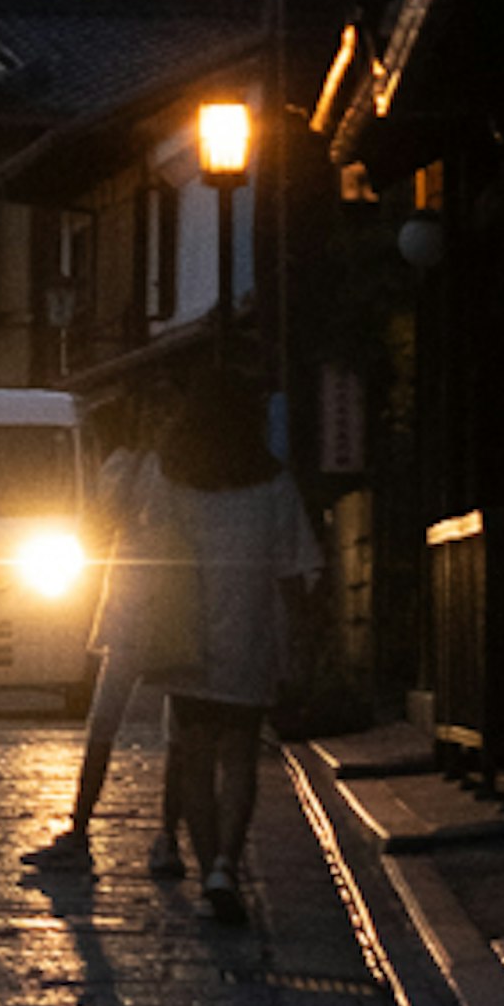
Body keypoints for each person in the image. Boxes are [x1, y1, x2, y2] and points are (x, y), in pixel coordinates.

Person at [147, 342, 321, 927]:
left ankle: (207, 870)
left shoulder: (173, 478)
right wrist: (301, 638)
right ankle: (227, 861)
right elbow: (296, 569)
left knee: (194, 759)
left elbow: (150, 549)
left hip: (187, 632)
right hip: (251, 630)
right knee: (240, 757)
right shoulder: (273, 483)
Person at [17, 383, 192, 884]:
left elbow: (97, 526)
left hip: (132, 609)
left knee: (103, 725)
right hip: (180, 606)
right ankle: (168, 838)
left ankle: (80, 831)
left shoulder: (125, 467)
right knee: (177, 731)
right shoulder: (187, 474)